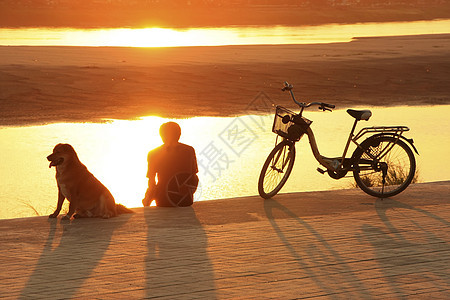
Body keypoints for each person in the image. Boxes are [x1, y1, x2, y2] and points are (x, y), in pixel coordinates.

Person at [142, 122, 199, 207]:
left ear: (162, 136)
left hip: (164, 201)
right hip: (185, 200)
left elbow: (152, 182)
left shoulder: (153, 153)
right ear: (179, 134)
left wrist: (147, 199)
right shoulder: (189, 150)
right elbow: (193, 175)